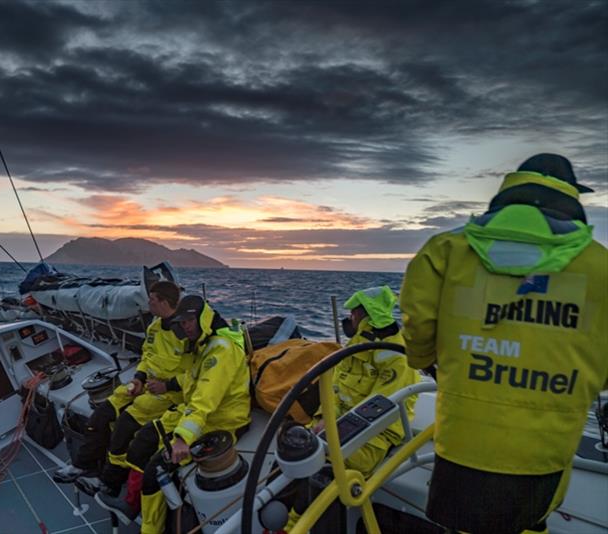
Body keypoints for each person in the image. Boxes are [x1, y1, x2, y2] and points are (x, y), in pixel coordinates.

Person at [400, 153, 608, 534]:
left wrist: (428, 361)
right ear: (570, 197)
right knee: (529, 522)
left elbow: (418, 324)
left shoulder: (444, 251)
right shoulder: (600, 266)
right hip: (545, 449)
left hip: (461, 440)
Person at [94, 295, 251, 532]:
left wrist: (183, 438)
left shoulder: (221, 351)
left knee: (155, 469)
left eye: (189, 320)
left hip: (222, 421)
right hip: (197, 415)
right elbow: (191, 381)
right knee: (141, 442)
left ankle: (151, 528)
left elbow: (205, 399)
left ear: (203, 318)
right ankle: (131, 504)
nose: (185, 326)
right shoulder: (201, 346)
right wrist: (167, 386)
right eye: (182, 322)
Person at [284, 286, 421, 530]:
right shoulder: (355, 347)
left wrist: (330, 433)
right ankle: (283, 519)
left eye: (354, 314)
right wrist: (321, 421)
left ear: (366, 315)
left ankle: (296, 525)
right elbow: (335, 392)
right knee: (290, 447)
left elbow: (377, 411)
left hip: (374, 439)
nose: (349, 319)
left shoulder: (396, 357)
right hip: (339, 427)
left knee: (321, 468)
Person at [55, 280, 188, 493]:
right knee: (101, 415)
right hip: (144, 385)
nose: (148, 303)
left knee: (124, 426)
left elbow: (192, 373)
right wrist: (138, 378)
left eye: (152, 300)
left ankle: (110, 482)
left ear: (163, 302)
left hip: (168, 394)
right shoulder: (154, 327)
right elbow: (147, 356)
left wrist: (166, 386)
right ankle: (82, 465)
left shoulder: (185, 334)